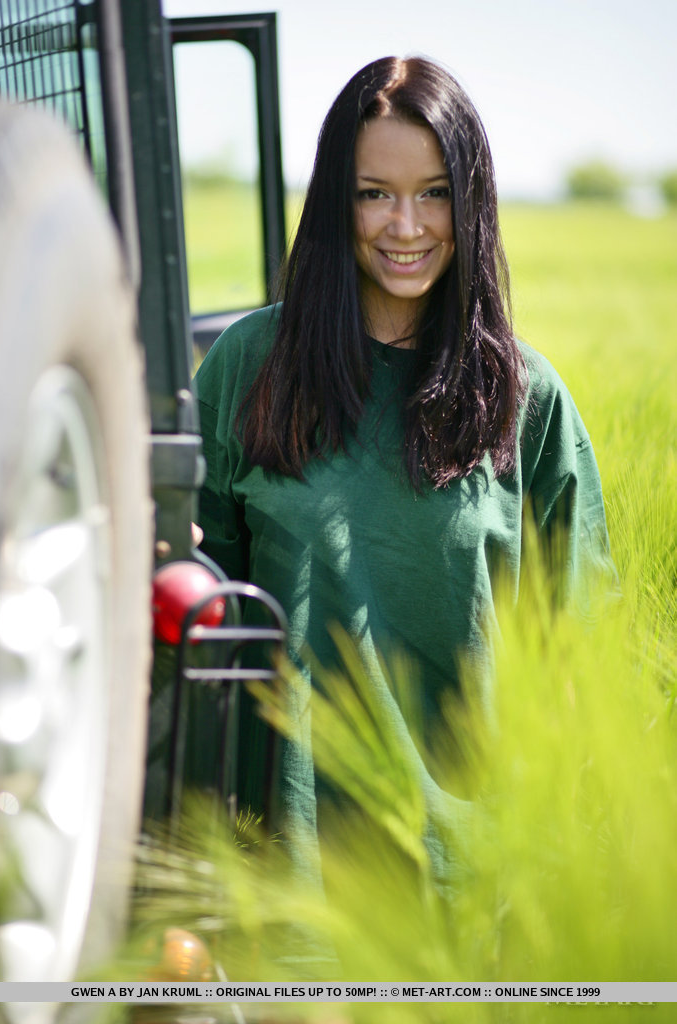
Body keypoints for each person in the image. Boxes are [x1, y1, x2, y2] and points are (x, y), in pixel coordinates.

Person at [194, 56, 614, 879]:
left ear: (472, 201)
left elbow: (576, 653)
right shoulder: (251, 365)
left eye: (434, 192)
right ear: (334, 203)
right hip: (286, 867)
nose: (406, 225)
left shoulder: (526, 399)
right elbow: (195, 606)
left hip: (471, 877)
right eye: (373, 193)